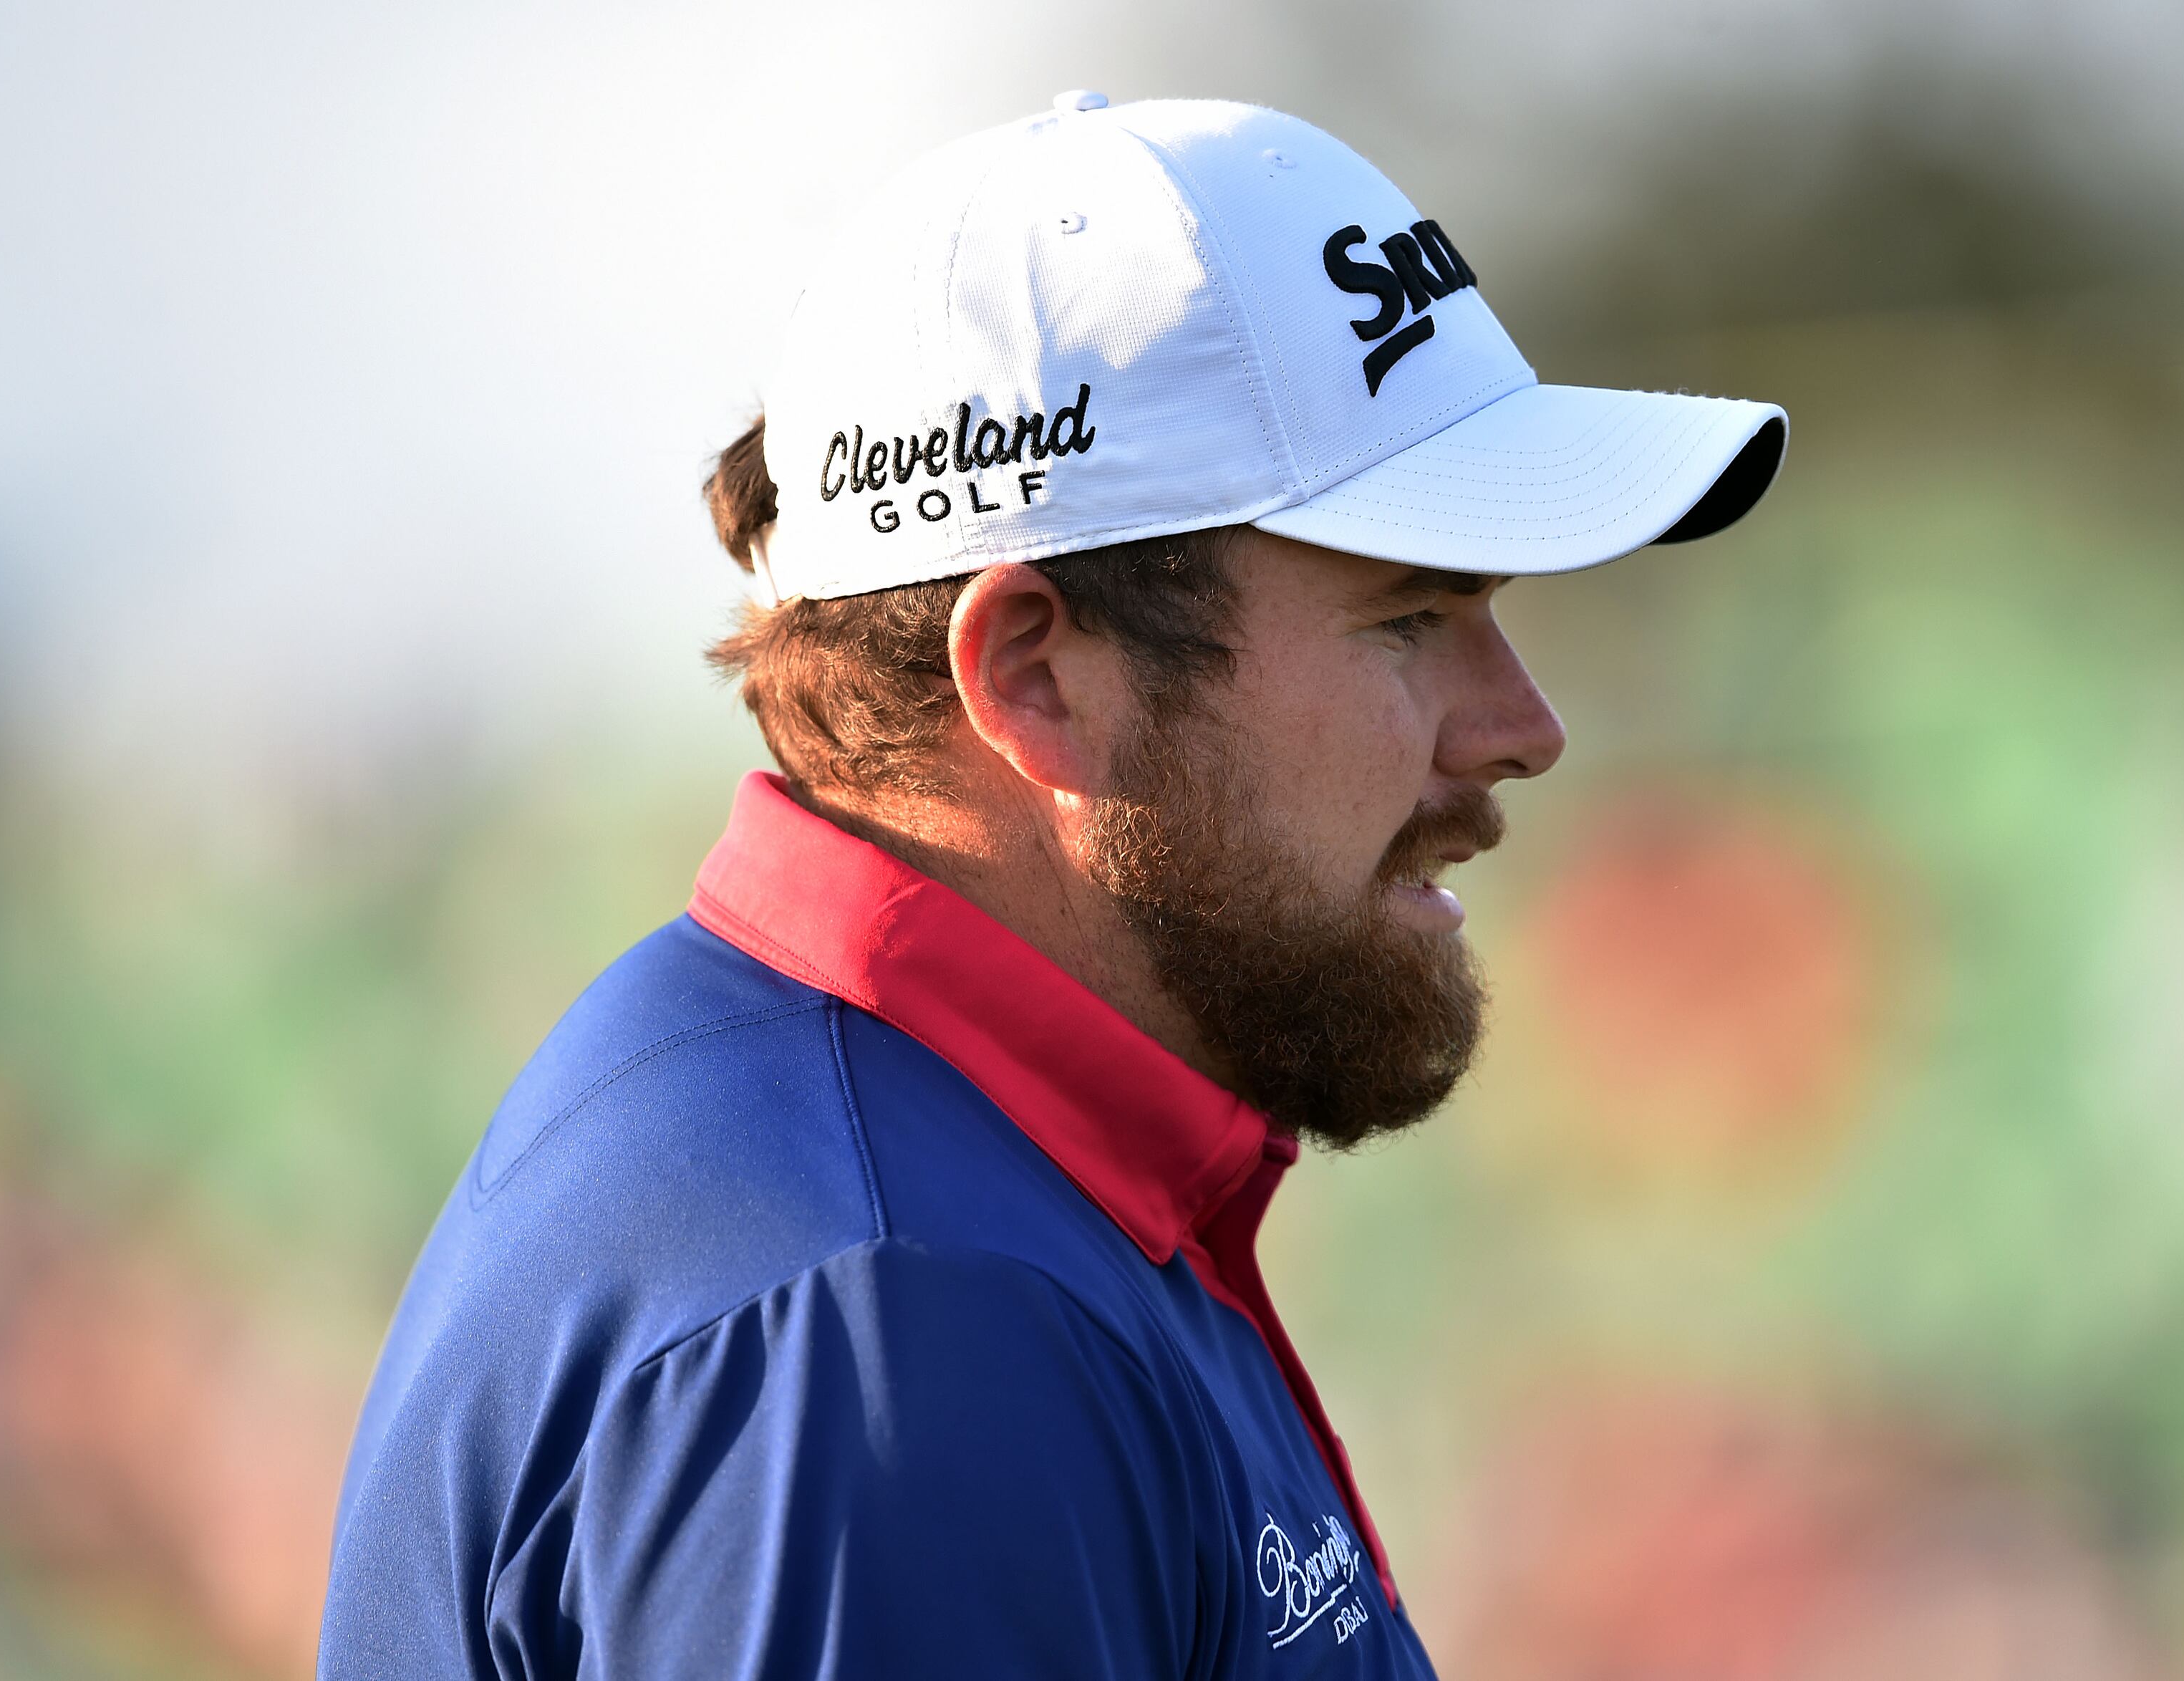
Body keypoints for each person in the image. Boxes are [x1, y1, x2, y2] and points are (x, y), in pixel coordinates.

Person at [319, 91, 1784, 1677]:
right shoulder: (898, 1326)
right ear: (1035, 674)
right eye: (1408, 618)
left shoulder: (908, 1188)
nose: (1523, 727)